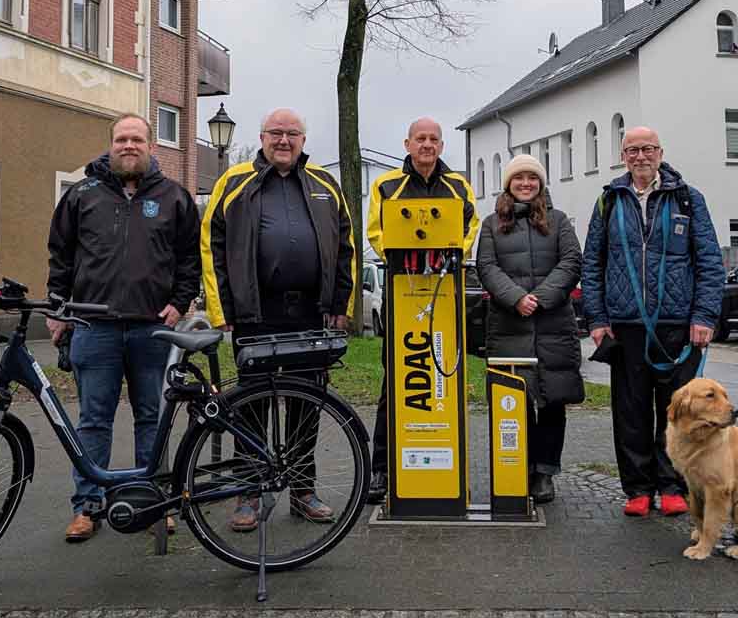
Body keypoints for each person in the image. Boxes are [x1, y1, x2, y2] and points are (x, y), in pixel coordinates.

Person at [200, 107, 356, 531]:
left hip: (310, 312)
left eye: (292, 134)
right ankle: (249, 493)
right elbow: (210, 244)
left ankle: (303, 491)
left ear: (304, 140)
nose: (283, 141)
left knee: (308, 402)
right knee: (252, 404)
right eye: (275, 133)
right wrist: (222, 310)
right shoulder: (233, 183)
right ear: (262, 137)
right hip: (256, 314)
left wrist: (342, 305)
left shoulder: (326, 184)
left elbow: (346, 245)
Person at [48, 113, 202, 542]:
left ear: (151, 147)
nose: (128, 145)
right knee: (93, 420)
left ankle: (152, 502)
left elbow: (190, 258)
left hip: (153, 329)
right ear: (110, 145)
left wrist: (179, 302)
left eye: (137, 139)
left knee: (152, 417)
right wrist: (58, 310)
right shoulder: (83, 195)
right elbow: (60, 256)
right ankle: (87, 506)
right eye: (121, 139)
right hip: (93, 326)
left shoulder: (174, 197)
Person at [581, 126, 724, 517]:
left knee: (678, 412)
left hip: (678, 325)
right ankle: (638, 487)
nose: (640, 156)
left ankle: (672, 485)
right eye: (632, 150)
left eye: (647, 149)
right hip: (624, 325)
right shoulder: (608, 202)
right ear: (623, 156)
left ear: (660, 152)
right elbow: (592, 263)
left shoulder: (688, 200)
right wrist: (596, 318)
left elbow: (710, 261)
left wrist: (704, 315)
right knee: (630, 410)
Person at [365, 117, 479, 504]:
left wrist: (452, 256)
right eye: (420, 139)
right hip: (403, 291)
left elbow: (470, 227)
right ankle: (381, 468)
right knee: (395, 383)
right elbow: (377, 232)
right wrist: (402, 255)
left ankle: (445, 468)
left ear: (441, 146)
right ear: (407, 143)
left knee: (443, 380)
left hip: (445, 292)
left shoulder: (458, 185)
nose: (427, 145)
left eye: (433, 139)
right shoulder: (386, 185)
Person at [475, 154, 584, 504]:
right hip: (509, 325)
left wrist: (539, 297)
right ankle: (517, 468)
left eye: (532, 177)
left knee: (552, 403)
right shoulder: (492, 224)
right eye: (519, 177)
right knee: (514, 402)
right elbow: (486, 266)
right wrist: (517, 298)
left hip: (553, 325)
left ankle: (545, 473)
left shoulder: (559, 220)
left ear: (541, 183)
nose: (526, 183)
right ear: (508, 183)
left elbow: (571, 262)